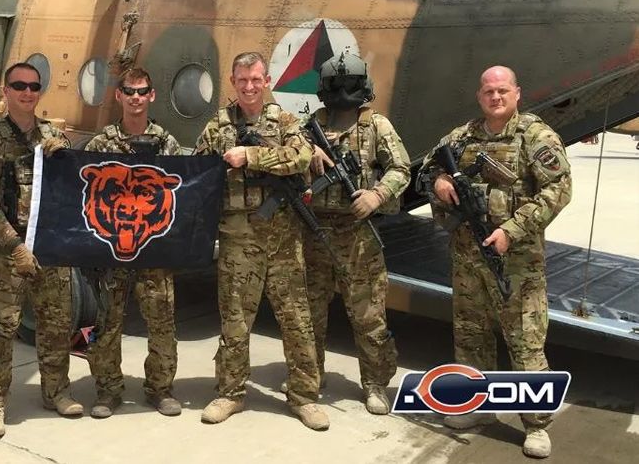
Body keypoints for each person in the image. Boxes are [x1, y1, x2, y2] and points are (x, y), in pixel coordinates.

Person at [419, 65, 572, 459]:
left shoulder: (535, 136)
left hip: (516, 262)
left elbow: (558, 189)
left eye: (503, 90)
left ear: (517, 93)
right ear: (479, 96)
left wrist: (511, 231)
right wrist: (439, 182)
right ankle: (474, 408)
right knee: (470, 336)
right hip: (467, 258)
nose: (496, 97)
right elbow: (428, 166)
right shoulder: (462, 136)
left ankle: (536, 425)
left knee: (524, 342)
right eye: (489, 91)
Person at [195, 52, 329, 431]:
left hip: (284, 241)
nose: (249, 87)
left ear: (266, 80)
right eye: (242, 81)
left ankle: (304, 397)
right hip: (238, 240)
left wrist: (250, 156)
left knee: (297, 321)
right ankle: (230, 393)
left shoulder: (285, 121)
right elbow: (199, 173)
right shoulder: (217, 126)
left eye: (256, 80)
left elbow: (302, 155)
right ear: (233, 82)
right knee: (235, 321)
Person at [295, 52, 410, 415]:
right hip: (315, 233)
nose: (343, 90)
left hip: (358, 235)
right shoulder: (310, 124)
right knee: (309, 313)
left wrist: (376, 195)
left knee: (368, 316)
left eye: (349, 83)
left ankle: (375, 383)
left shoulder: (377, 126)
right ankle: (310, 376)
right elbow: (285, 153)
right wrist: (306, 149)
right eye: (337, 84)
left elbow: (402, 168)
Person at [0, 62, 76, 439]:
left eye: (33, 86)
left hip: (49, 248)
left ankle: (56, 391)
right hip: (9, 252)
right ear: (5, 90)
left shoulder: (52, 134)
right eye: (19, 86)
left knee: (57, 324)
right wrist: (14, 245)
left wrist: (66, 155)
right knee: (5, 326)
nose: (27, 92)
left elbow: (71, 192)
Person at [82, 67, 183, 418]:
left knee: (162, 321)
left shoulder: (167, 142)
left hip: (154, 250)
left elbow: (182, 191)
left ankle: (160, 389)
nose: (136, 97)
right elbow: (83, 192)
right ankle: (107, 391)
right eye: (130, 91)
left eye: (142, 91)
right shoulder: (101, 143)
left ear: (152, 95)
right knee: (108, 322)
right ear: (119, 95)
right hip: (112, 251)